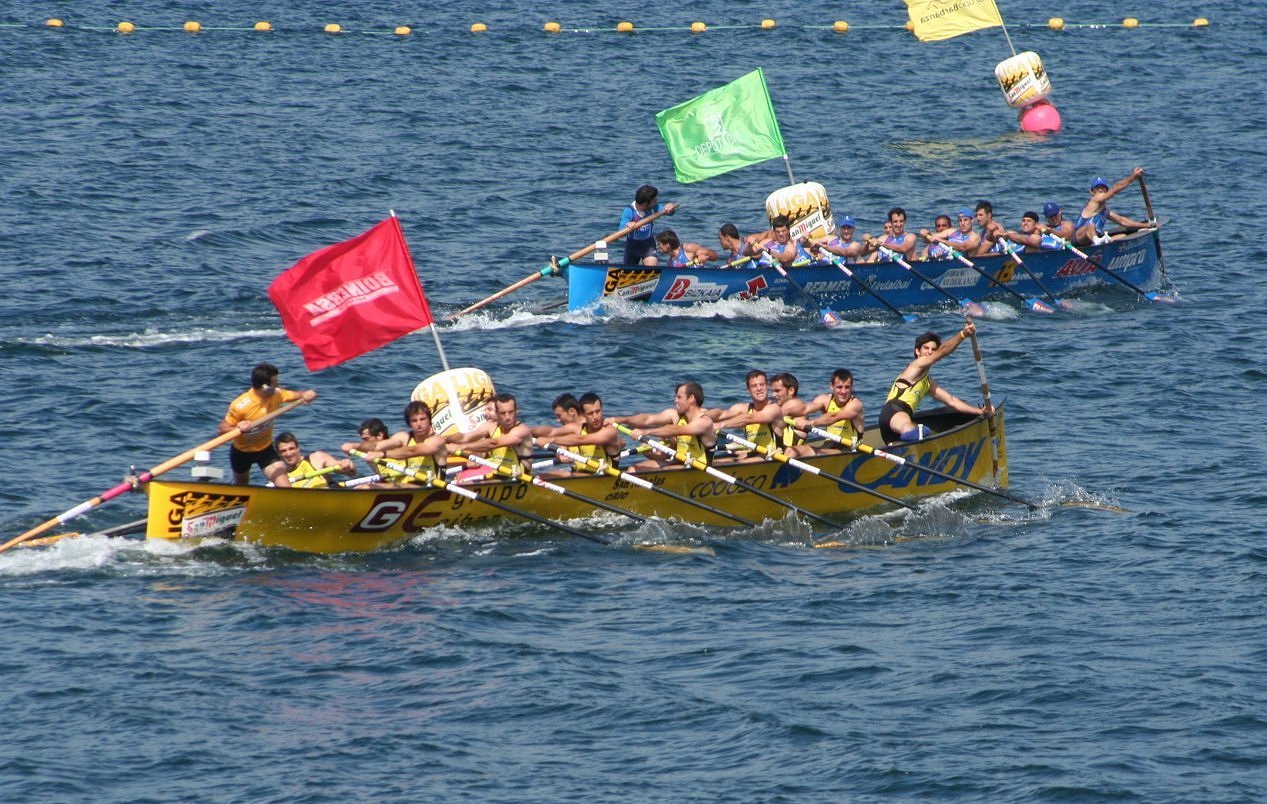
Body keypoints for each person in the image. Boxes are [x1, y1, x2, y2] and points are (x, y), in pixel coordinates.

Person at [878, 321, 989, 444]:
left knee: (914, 433)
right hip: (894, 411)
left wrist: (980, 411)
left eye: (933, 349)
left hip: (894, 427)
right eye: (926, 348)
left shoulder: (928, 383)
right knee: (915, 430)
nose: (930, 352)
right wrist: (963, 334)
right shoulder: (914, 366)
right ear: (917, 351)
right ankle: (915, 433)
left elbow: (952, 401)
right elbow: (942, 352)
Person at [218, 362, 317, 486]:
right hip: (241, 452)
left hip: (265, 450)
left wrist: (306, 394)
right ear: (265, 387)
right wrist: (238, 427)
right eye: (275, 382)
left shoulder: (277, 394)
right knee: (241, 484)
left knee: (284, 483)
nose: (278, 385)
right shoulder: (240, 406)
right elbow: (222, 429)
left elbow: (297, 395)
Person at [610, 382, 716, 472]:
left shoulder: (704, 422)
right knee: (633, 469)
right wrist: (621, 420)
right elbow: (647, 419)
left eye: (679, 397)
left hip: (700, 468)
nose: (675, 401)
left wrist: (646, 432)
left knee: (662, 472)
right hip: (681, 462)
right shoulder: (675, 415)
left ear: (691, 398)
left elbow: (677, 430)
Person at [343, 401, 448, 486]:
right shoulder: (404, 437)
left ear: (429, 420)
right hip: (409, 486)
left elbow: (413, 450)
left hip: (431, 487)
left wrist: (383, 454)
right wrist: (355, 446)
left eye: (423, 419)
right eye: (414, 421)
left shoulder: (436, 440)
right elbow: (376, 445)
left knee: (366, 488)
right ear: (409, 423)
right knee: (362, 487)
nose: (419, 424)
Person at [447, 392, 535, 478]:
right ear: (497, 413)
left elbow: (494, 443)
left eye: (511, 412)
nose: (507, 417)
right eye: (503, 413)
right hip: (495, 470)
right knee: (460, 476)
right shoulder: (490, 426)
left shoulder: (521, 430)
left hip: (517, 476)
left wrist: (461, 447)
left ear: (517, 411)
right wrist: (443, 440)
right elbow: (464, 437)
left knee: (465, 481)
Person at [539, 392, 626, 475]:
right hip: (582, 473)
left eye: (598, 411)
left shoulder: (608, 430)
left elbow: (582, 439)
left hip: (605, 477)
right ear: (583, 414)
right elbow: (552, 432)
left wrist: (551, 440)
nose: (595, 417)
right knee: (543, 476)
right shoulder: (577, 429)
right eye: (590, 413)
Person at [710, 370, 785, 462]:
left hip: (774, 455)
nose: (759, 388)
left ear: (767, 387)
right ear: (748, 390)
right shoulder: (742, 408)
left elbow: (750, 418)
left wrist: (720, 425)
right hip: (754, 453)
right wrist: (702, 415)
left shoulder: (774, 408)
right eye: (754, 386)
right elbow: (721, 414)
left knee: (739, 463)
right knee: (713, 462)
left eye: (762, 385)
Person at [796, 368, 865, 453]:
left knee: (808, 451)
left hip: (850, 448)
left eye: (847, 387)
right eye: (839, 387)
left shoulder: (856, 405)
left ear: (852, 387)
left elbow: (835, 417)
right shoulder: (825, 399)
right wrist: (787, 413)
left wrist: (811, 422)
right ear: (831, 386)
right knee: (792, 450)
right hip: (830, 444)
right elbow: (804, 409)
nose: (843, 391)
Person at [1075, 168, 1149, 245]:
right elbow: (1115, 189)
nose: (1100, 190)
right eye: (1097, 188)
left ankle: (1101, 246)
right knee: (1091, 226)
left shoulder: (1105, 210)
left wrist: (1146, 225)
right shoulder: (1094, 200)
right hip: (1079, 238)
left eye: (1103, 188)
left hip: (1092, 239)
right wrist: (1133, 177)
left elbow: (1122, 221)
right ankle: (1097, 241)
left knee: (1122, 236)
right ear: (1092, 192)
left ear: (1106, 190)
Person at [620, 184, 677, 266]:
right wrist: (627, 225)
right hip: (632, 247)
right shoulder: (629, 211)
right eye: (654, 201)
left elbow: (668, 212)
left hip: (648, 245)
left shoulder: (652, 207)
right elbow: (621, 230)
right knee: (629, 271)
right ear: (646, 203)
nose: (656, 202)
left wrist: (670, 209)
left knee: (652, 267)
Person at [274, 432, 353, 488]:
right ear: (278, 454)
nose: (289, 454)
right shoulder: (280, 477)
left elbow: (351, 473)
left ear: (298, 448)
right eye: (283, 451)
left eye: (291, 449)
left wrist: (348, 465)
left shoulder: (316, 459)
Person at [769, 372, 811, 457]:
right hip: (776, 451)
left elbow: (770, 416)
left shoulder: (795, 403)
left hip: (789, 455)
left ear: (791, 390)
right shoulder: (777, 406)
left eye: (777, 391)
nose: (773, 395)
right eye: (773, 391)